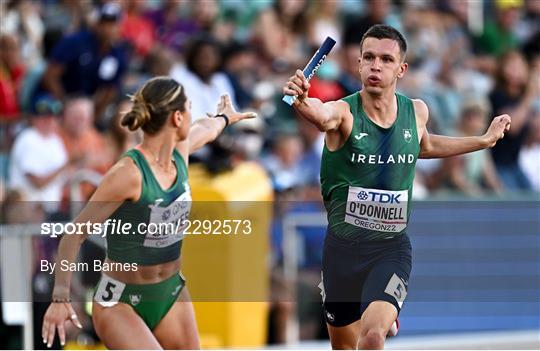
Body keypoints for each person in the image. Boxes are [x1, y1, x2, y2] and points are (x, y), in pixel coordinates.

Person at [283, 24, 511, 350]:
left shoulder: (416, 111)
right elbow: (320, 114)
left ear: (401, 69)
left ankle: (382, 316)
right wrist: (302, 100)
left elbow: (425, 145)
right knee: (345, 347)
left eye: (386, 60)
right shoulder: (345, 113)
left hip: (390, 249)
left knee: (372, 338)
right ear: (358, 64)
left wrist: (482, 141)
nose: (376, 65)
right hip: (342, 253)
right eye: (369, 57)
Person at [41, 76, 256, 349]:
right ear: (177, 118)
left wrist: (224, 118)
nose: (193, 115)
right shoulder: (128, 173)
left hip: (168, 292)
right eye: (190, 108)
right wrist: (60, 299)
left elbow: (207, 128)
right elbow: (74, 235)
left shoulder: (181, 152)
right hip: (120, 300)